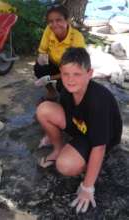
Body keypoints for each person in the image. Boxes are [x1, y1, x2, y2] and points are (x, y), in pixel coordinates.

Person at [36, 47, 122, 213]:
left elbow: (100, 146)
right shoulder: (65, 86)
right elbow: (61, 109)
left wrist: (88, 187)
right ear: (61, 72)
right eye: (66, 74)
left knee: (65, 166)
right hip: (79, 125)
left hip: (97, 138)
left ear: (89, 74)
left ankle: (88, 164)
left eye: (77, 74)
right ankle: (58, 148)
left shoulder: (98, 101)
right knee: (43, 109)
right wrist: (50, 134)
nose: (70, 80)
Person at [34, 3, 86, 101]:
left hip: (73, 71)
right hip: (56, 64)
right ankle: (52, 93)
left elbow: (74, 69)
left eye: (59, 20)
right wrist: (42, 62)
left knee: (63, 87)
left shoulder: (76, 38)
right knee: (39, 67)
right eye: (51, 21)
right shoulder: (49, 30)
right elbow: (43, 50)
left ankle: (69, 102)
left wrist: (49, 78)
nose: (54, 25)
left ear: (67, 21)